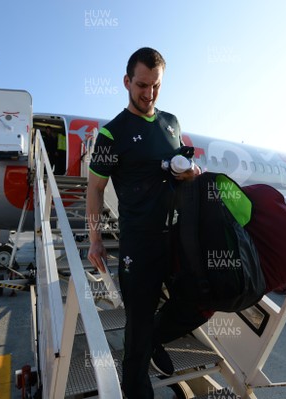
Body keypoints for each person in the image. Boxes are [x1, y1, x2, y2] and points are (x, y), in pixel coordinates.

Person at [86, 47, 203, 398]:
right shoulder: (112, 135)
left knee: (201, 299)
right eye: (142, 85)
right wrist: (95, 239)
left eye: (156, 86)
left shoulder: (172, 123)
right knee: (136, 333)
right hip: (140, 243)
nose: (148, 94)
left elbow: (179, 166)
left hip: (179, 236)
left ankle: (155, 338)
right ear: (126, 82)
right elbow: (94, 189)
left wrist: (190, 173)